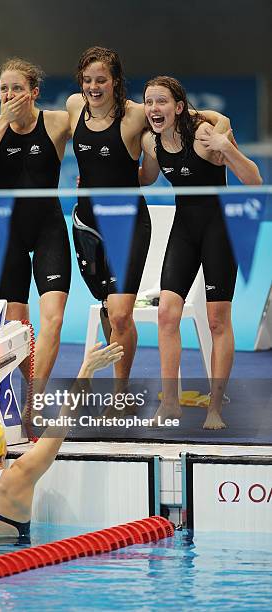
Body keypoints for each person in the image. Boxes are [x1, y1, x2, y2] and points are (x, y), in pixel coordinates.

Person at [67, 46, 230, 390]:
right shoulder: (72, 107)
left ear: (115, 82)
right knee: (112, 310)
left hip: (128, 224)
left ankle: (119, 392)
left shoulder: (137, 113)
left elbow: (202, 117)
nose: (93, 87)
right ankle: (110, 314)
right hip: (86, 224)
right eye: (87, 80)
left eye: (101, 80)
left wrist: (223, 129)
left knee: (121, 314)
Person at [140, 75, 262, 429]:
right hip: (185, 230)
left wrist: (228, 146)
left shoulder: (207, 136)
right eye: (149, 102)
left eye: (161, 101)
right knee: (166, 314)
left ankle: (215, 408)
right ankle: (172, 403)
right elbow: (145, 178)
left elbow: (253, 179)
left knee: (217, 320)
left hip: (219, 230)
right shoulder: (152, 143)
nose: (153, 108)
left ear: (178, 107)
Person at [0, 341, 124, 539]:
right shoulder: (20, 476)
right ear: (2, 450)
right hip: (15, 563)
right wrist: (87, 368)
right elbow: (63, 420)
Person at [0, 58, 71, 385]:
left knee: (52, 319)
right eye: (3, 89)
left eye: (17, 88)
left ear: (34, 92)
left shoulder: (55, 122)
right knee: (16, 326)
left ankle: (35, 395)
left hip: (48, 228)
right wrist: (3, 122)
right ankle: (32, 395)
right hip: (8, 233)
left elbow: (102, 122)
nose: (9, 95)